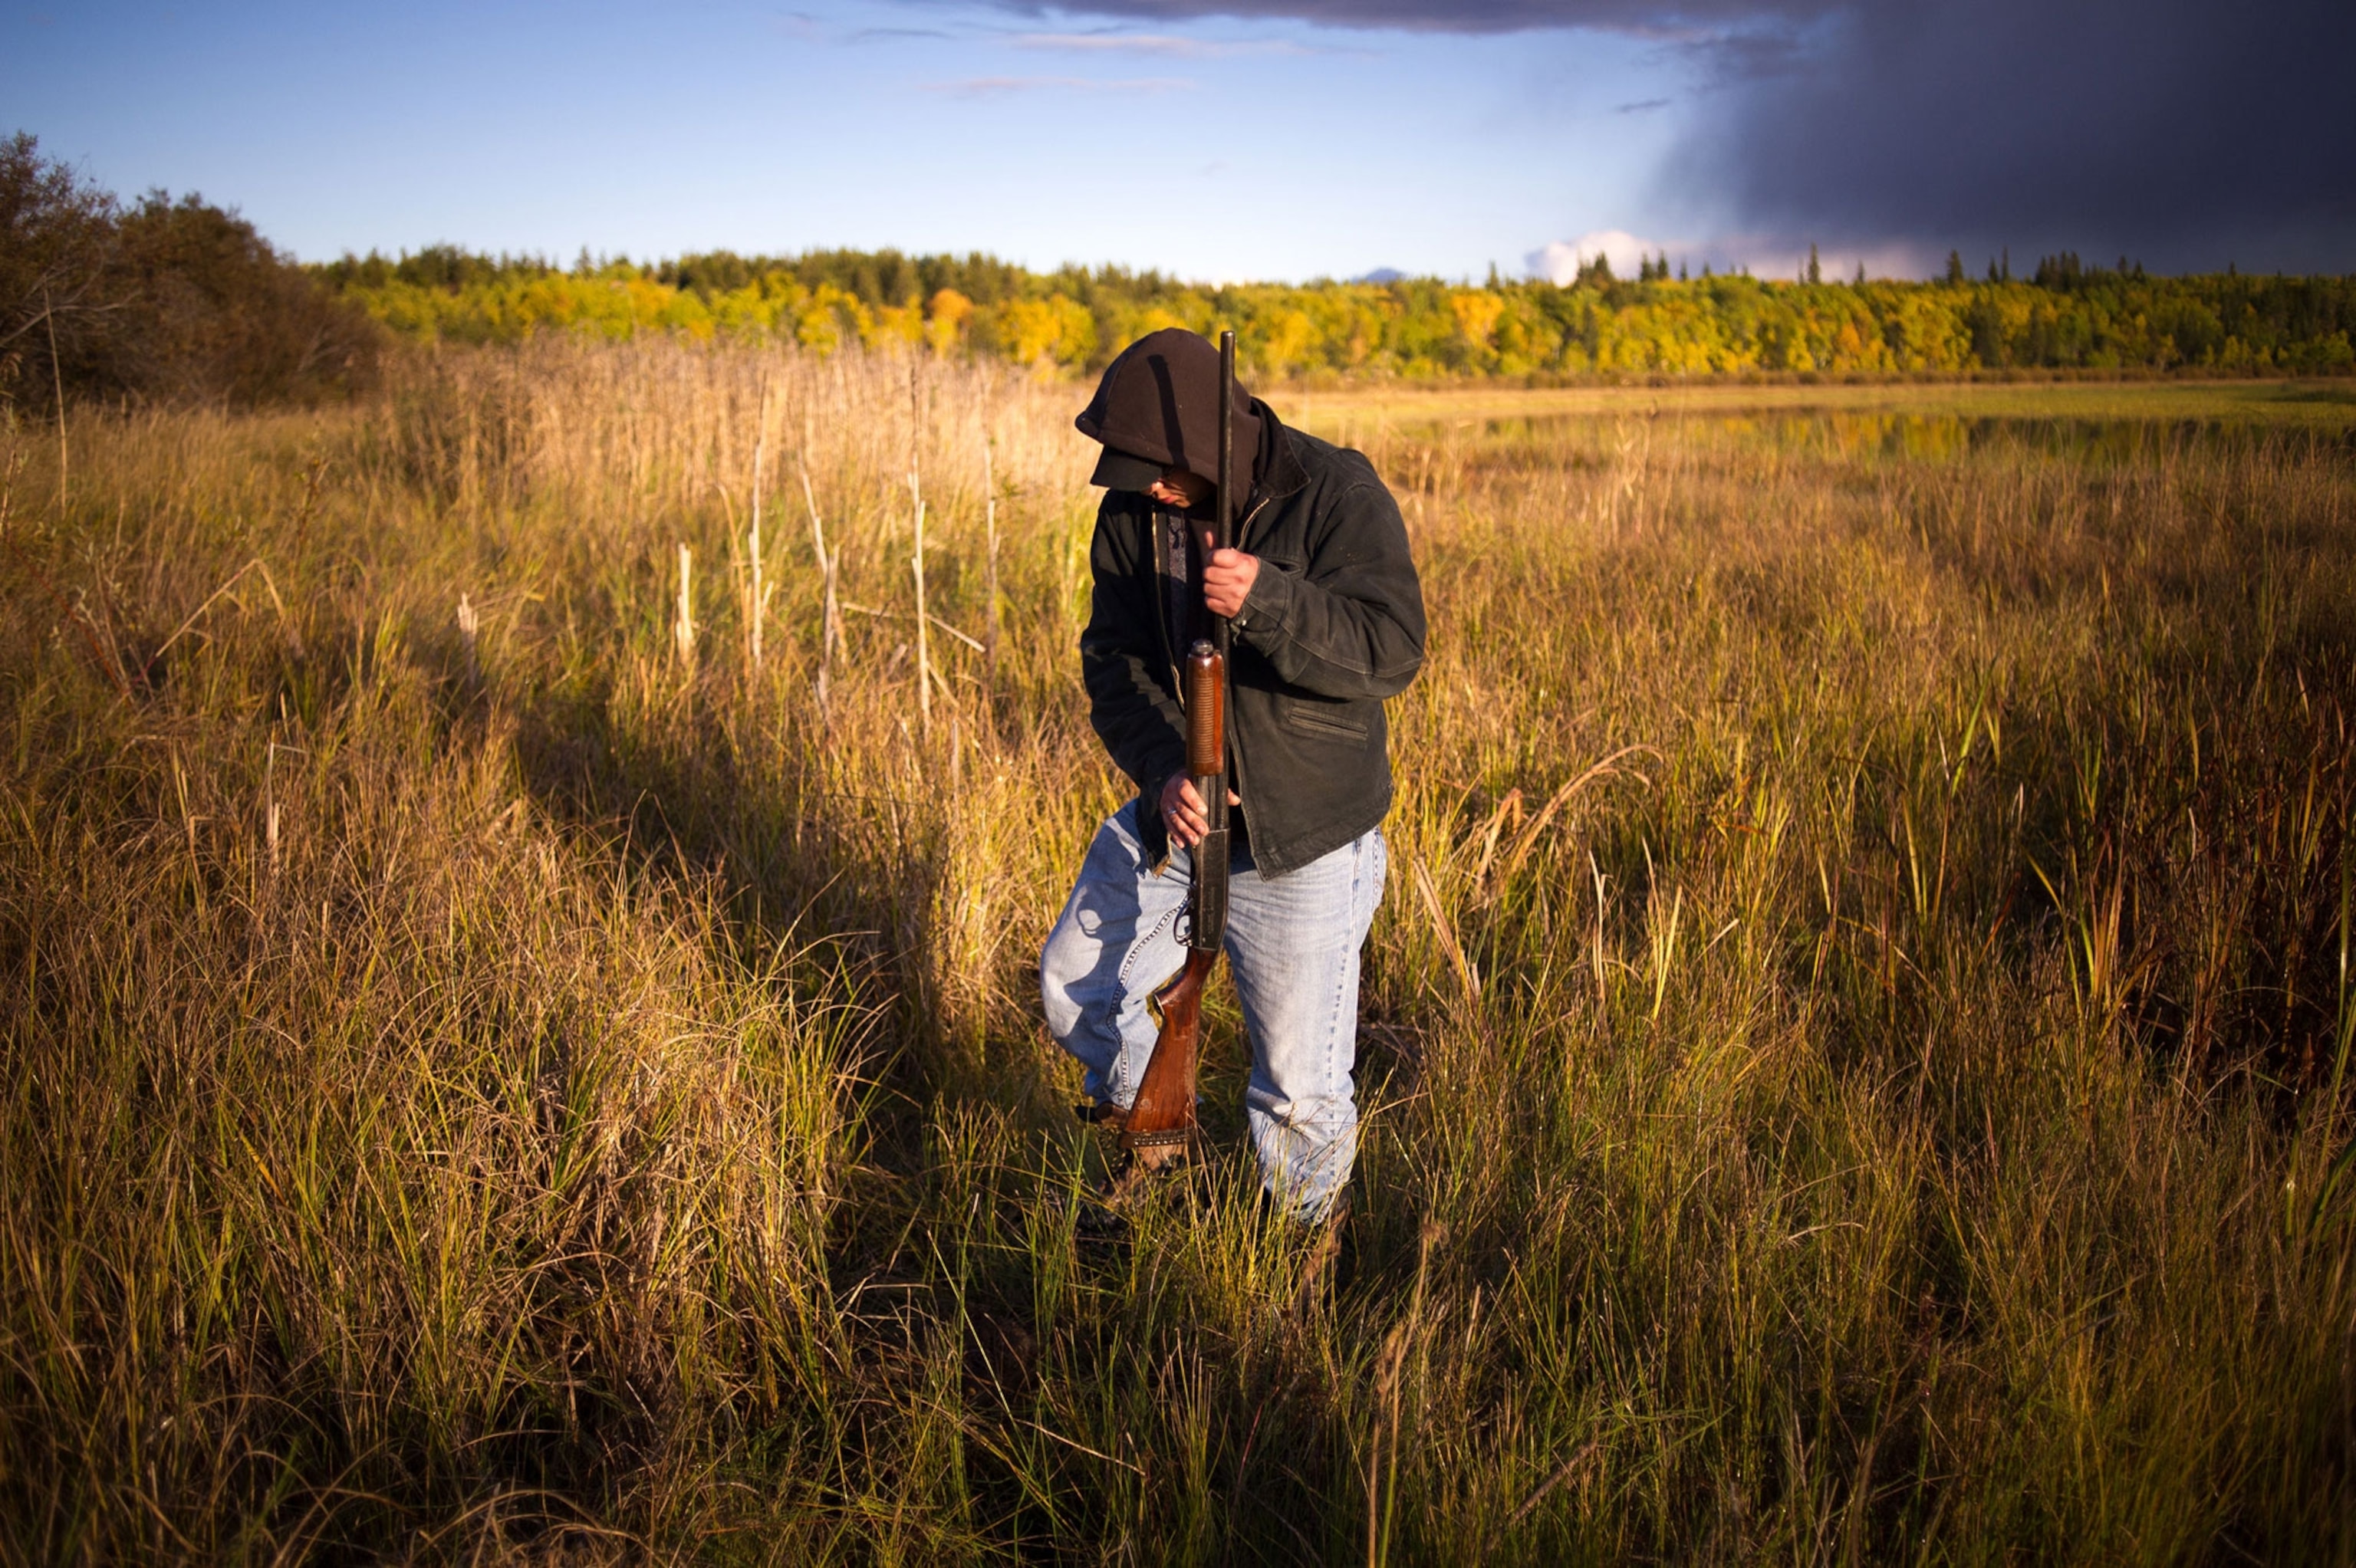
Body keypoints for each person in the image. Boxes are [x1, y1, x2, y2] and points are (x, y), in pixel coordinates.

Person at [1039, 328, 1426, 1223]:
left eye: (1161, 473)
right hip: (1180, 817)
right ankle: (1158, 1154)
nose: (1152, 493)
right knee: (1080, 988)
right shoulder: (1139, 515)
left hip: (1305, 841)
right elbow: (1115, 658)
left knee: (1297, 1094)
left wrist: (1268, 599)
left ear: (1211, 436)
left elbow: (1392, 650)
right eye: (1136, 477)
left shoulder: (1338, 493)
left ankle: (1300, 1267)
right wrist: (1165, 763)